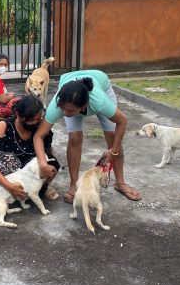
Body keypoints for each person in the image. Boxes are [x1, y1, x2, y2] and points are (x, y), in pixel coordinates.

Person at [33, 70, 141, 204]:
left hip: (100, 83)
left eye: (70, 110)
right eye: (63, 108)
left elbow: (122, 121)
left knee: (113, 136)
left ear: (84, 106)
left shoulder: (99, 101)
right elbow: (39, 136)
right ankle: (74, 184)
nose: (65, 113)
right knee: (74, 138)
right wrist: (42, 163)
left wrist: (114, 151)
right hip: (69, 86)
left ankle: (120, 182)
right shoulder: (58, 105)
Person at [0, 95, 60, 201]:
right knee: (7, 160)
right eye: (31, 120)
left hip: (31, 167)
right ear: (18, 115)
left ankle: (39, 188)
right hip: (11, 170)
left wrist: (47, 167)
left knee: (52, 163)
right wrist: (8, 185)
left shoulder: (40, 125)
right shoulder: (4, 126)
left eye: (38, 119)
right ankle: (11, 189)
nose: (35, 123)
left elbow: (47, 151)